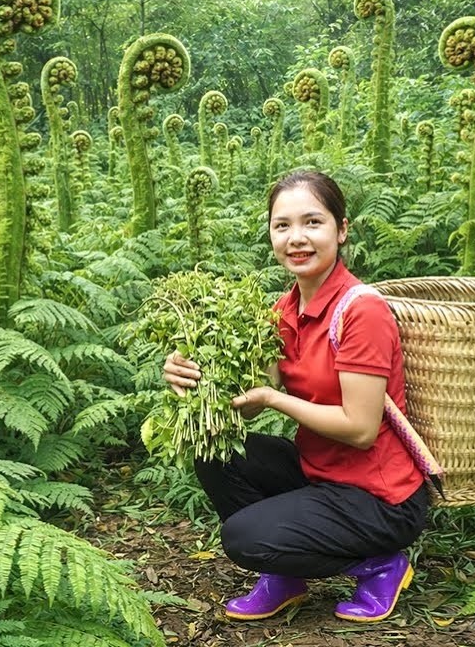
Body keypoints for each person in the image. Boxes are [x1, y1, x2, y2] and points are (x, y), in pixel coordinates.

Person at [162, 170, 428, 622]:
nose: (296, 238)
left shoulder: (362, 310)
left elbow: (361, 430)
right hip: (320, 474)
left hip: (379, 499)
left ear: (341, 230)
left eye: (312, 223)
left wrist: (272, 399)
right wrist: (191, 370)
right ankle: (286, 573)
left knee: (244, 538)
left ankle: (380, 563)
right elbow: (245, 400)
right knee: (217, 452)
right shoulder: (284, 309)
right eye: (282, 226)